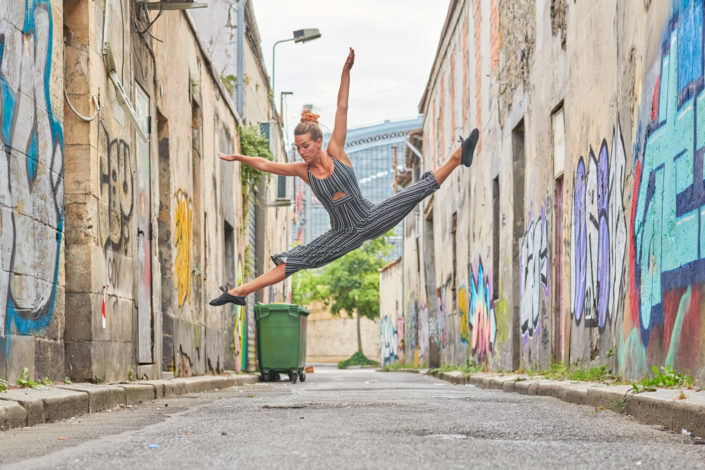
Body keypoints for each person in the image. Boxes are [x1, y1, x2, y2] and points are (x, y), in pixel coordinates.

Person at [210, 48, 478, 306]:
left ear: (319, 141)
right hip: (341, 234)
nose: (301, 152)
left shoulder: (336, 151)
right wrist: (239, 158)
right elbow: (267, 164)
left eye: (306, 146)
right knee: (295, 260)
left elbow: (342, 107)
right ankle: (239, 292)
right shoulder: (303, 171)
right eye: (298, 147)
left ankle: (457, 158)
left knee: (413, 193)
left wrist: (345, 71)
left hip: (371, 218)